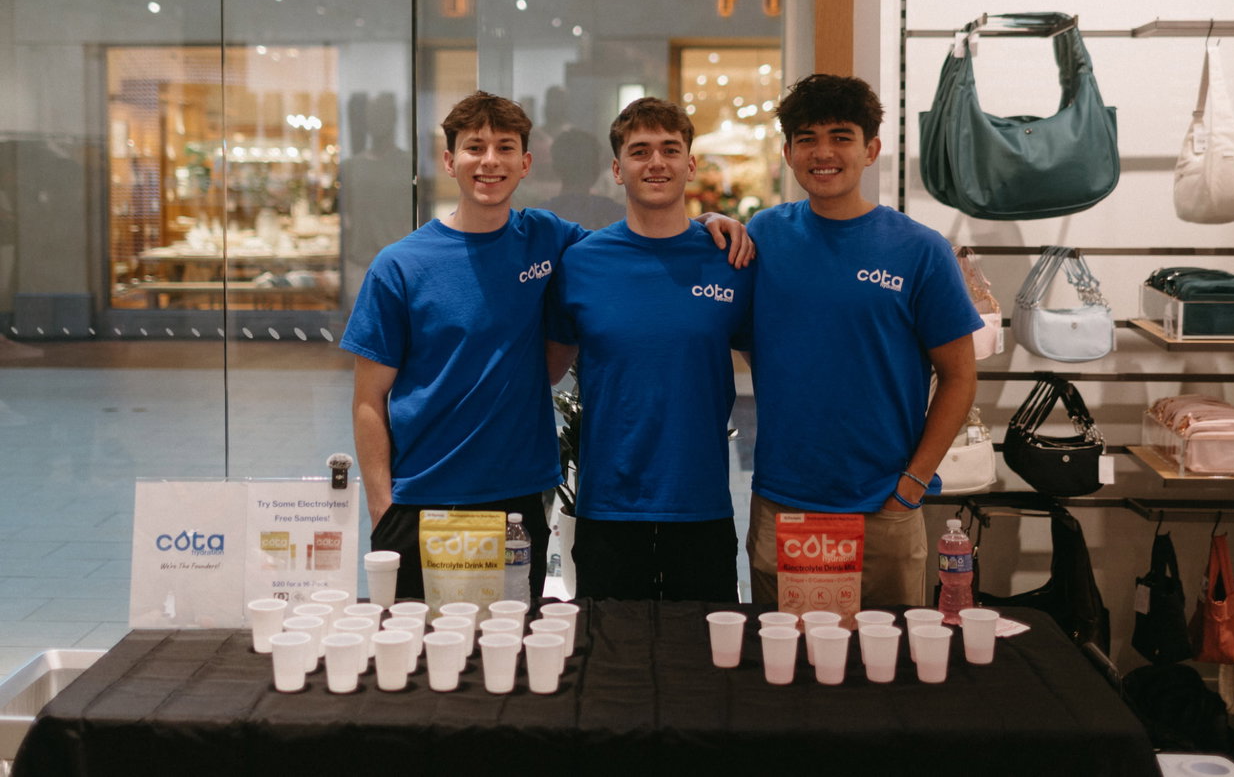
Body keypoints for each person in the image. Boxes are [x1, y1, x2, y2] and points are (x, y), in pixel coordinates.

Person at [342, 91, 752, 602]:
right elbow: (367, 400)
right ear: (449, 160)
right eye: (474, 148)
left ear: (526, 163)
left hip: (518, 496)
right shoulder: (400, 266)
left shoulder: (552, 240)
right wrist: (382, 510)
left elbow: (640, 247)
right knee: (421, 660)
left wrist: (712, 223)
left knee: (514, 657)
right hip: (423, 499)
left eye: (505, 147)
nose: (489, 162)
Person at [745, 73, 981, 608]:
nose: (822, 152)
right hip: (783, 502)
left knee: (886, 674)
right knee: (784, 670)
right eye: (806, 138)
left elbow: (961, 376)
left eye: (841, 136)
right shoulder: (764, 236)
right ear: (787, 152)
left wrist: (911, 486)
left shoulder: (920, 251)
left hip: (883, 506)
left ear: (871, 149)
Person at [545, 98, 754, 602]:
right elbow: (545, 372)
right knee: (609, 669)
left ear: (690, 163)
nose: (656, 162)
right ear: (617, 169)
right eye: (640, 151)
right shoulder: (581, 263)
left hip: (702, 509)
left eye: (670, 149)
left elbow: (777, 371)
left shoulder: (730, 259)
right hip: (607, 511)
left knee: (705, 668)